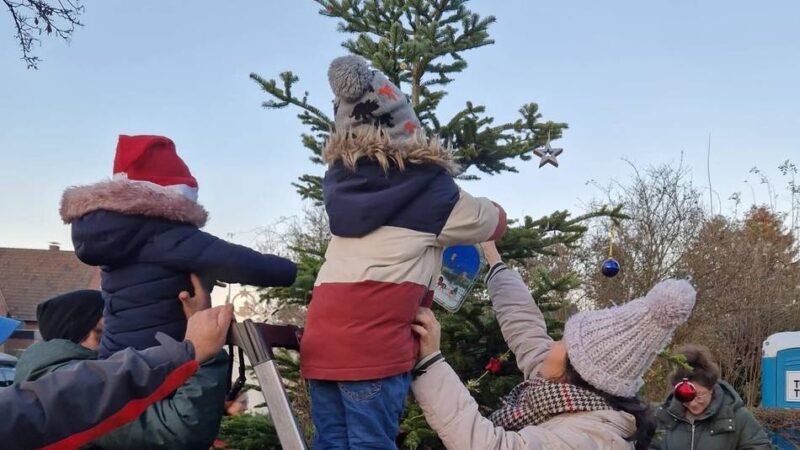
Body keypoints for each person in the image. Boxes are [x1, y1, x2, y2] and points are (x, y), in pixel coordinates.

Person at [301, 55, 507, 449]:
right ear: (407, 128)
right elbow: (488, 222)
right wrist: (499, 213)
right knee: (371, 442)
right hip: (372, 348)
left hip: (321, 342)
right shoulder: (429, 188)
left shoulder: (341, 188)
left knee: (330, 441)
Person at [410, 241, 697, 450]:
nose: (553, 344)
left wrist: (431, 363)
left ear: (577, 369)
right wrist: (493, 257)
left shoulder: (589, 439)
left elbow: (488, 445)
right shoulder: (562, 390)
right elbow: (526, 328)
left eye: (563, 341)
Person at [59, 134, 296, 357]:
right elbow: (239, 261)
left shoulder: (114, 238)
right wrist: (291, 271)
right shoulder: (166, 234)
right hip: (164, 357)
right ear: (174, 197)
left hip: (117, 358)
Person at [14, 275, 229, 449]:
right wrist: (201, 352)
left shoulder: (50, 380)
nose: (118, 343)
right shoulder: (71, 386)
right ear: (82, 333)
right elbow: (180, 429)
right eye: (105, 334)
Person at [650, 344, 771, 450]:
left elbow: (759, 446)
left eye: (699, 396)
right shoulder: (664, 416)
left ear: (711, 389)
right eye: (685, 397)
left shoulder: (737, 416)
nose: (693, 403)